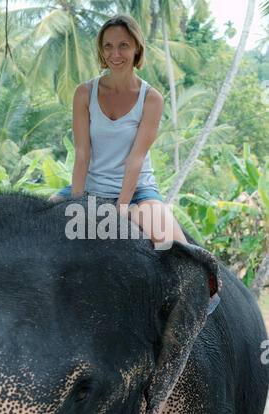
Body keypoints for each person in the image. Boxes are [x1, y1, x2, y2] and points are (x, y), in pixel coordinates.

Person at [50, 14, 187, 248]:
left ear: (136, 48)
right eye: (108, 46)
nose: (115, 54)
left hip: (138, 194)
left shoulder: (151, 99)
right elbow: (82, 153)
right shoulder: (85, 93)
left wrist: (121, 209)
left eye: (123, 45)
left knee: (181, 252)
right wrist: (78, 203)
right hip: (91, 189)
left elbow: (136, 158)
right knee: (32, 226)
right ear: (101, 51)